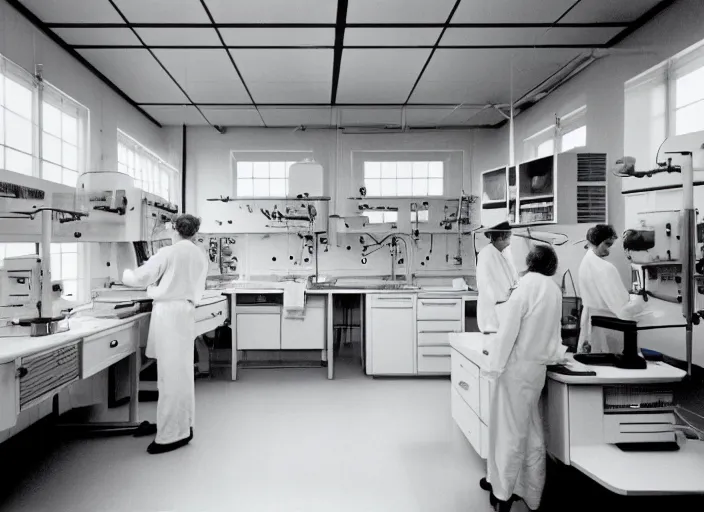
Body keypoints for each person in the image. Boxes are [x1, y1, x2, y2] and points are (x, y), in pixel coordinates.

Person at [482, 245, 566, 512]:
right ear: (551, 265)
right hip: (536, 371)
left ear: (530, 262)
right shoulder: (553, 289)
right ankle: (529, 492)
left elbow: (508, 332)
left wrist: (493, 365)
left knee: (508, 433)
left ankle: (502, 493)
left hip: (514, 372)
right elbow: (554, 331)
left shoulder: (524, 287)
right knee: (531, 431)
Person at [123, 214, 208, 455]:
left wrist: (125, 273)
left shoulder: (169, 252)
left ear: (174, 229)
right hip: (185, 311)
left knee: (170, 377)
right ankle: (184, 425)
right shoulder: (199, 253)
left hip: (170, 314)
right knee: (180, 374)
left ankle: (171, 435)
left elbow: (139, 277)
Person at [577, 224, 646, 353]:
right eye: (607, 244)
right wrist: (639, 303)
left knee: (594, 362)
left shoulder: (585, 262)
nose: (608, 250)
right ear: (596, 242)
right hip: (607, 325)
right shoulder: (605, 268)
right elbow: (620, 306)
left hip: (592, 321)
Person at [476, 221, 518, 333]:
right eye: (508, 236)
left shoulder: (502, 253)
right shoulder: (486, 254)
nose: (510, 240)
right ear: (500, 237)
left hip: (502, 309)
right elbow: (486, 285)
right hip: (492, 313)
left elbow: (511, 277)